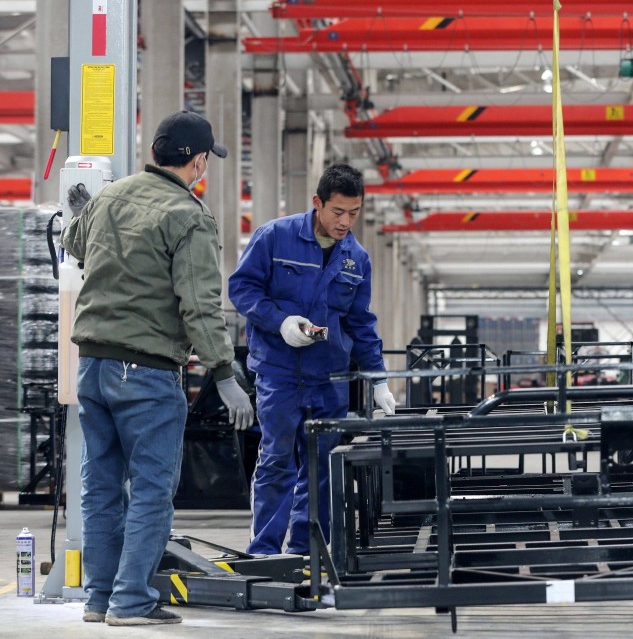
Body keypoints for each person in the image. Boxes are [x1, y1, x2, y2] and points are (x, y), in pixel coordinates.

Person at [61, 110, 254, 626]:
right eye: (203, 161)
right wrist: (224, 374)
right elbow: (199, 306)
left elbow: (74, 245)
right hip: (144, 373)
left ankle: (100, 599)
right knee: (149, 490)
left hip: (93, 367)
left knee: (99, 487)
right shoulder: (188, 215)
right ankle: (130, 603)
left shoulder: (109, 195)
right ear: (195, 162)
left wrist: (82, 212)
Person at [229, 163, 396, 556]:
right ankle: (265, 553)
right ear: (318, 203)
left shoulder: (357, 258)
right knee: (276, 461)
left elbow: (360, 323)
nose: (345, 222)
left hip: (329, 379)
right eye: (338, 211)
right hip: (279, 373)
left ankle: (304, 553)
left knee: (321, 470)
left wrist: (378, 379)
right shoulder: (275, 237)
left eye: (354, 213)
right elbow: (242, 289)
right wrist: (280, 321)